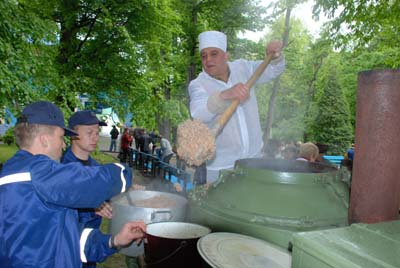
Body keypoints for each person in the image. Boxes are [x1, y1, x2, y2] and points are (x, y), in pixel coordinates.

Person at [0, 101, 146, 268]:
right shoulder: (35, 173)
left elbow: (67, 239)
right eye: (61, 138)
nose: (64, 144)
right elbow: (93, 182)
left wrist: (114, 240)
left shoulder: (25, 174)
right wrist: (125, 173)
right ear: (44, 140)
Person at [189, 30, 285, 182]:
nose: (208, 60)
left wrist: (274, 58)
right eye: (203, 55)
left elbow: (272, 70)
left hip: (254, 160)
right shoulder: (198, 84)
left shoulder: (243, 68)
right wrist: (225, 95)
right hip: (221, 169)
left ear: (226, 56)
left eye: (214, 54)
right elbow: (199, 112)